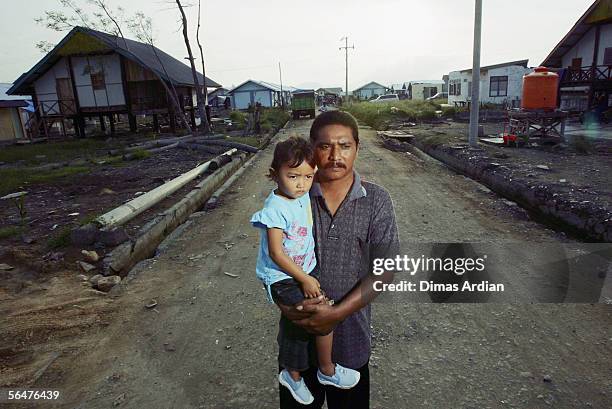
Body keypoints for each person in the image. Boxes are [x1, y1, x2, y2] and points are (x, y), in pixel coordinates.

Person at [276, 111, 400, 409]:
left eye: (344, 146)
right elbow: (271, 262)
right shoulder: (291, 198)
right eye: (325, 146)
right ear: (311, 148)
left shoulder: (376, 201)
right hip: (298, 341)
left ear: (357, 147)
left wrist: (336, 313)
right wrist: (288, 308)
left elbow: (384, 270)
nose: (334, 156)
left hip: (351, 344)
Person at [251, 137, 362, 406]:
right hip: (283, 276)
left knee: (320, 314)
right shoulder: (276, 207)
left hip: (304, 270)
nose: (301, 184)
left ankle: (325, 370)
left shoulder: (301, 195)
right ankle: (294, 374)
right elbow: (277, 253)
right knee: (305, 320)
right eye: (292, 176)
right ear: (275, 173)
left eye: (307, 176)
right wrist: (305, 278)